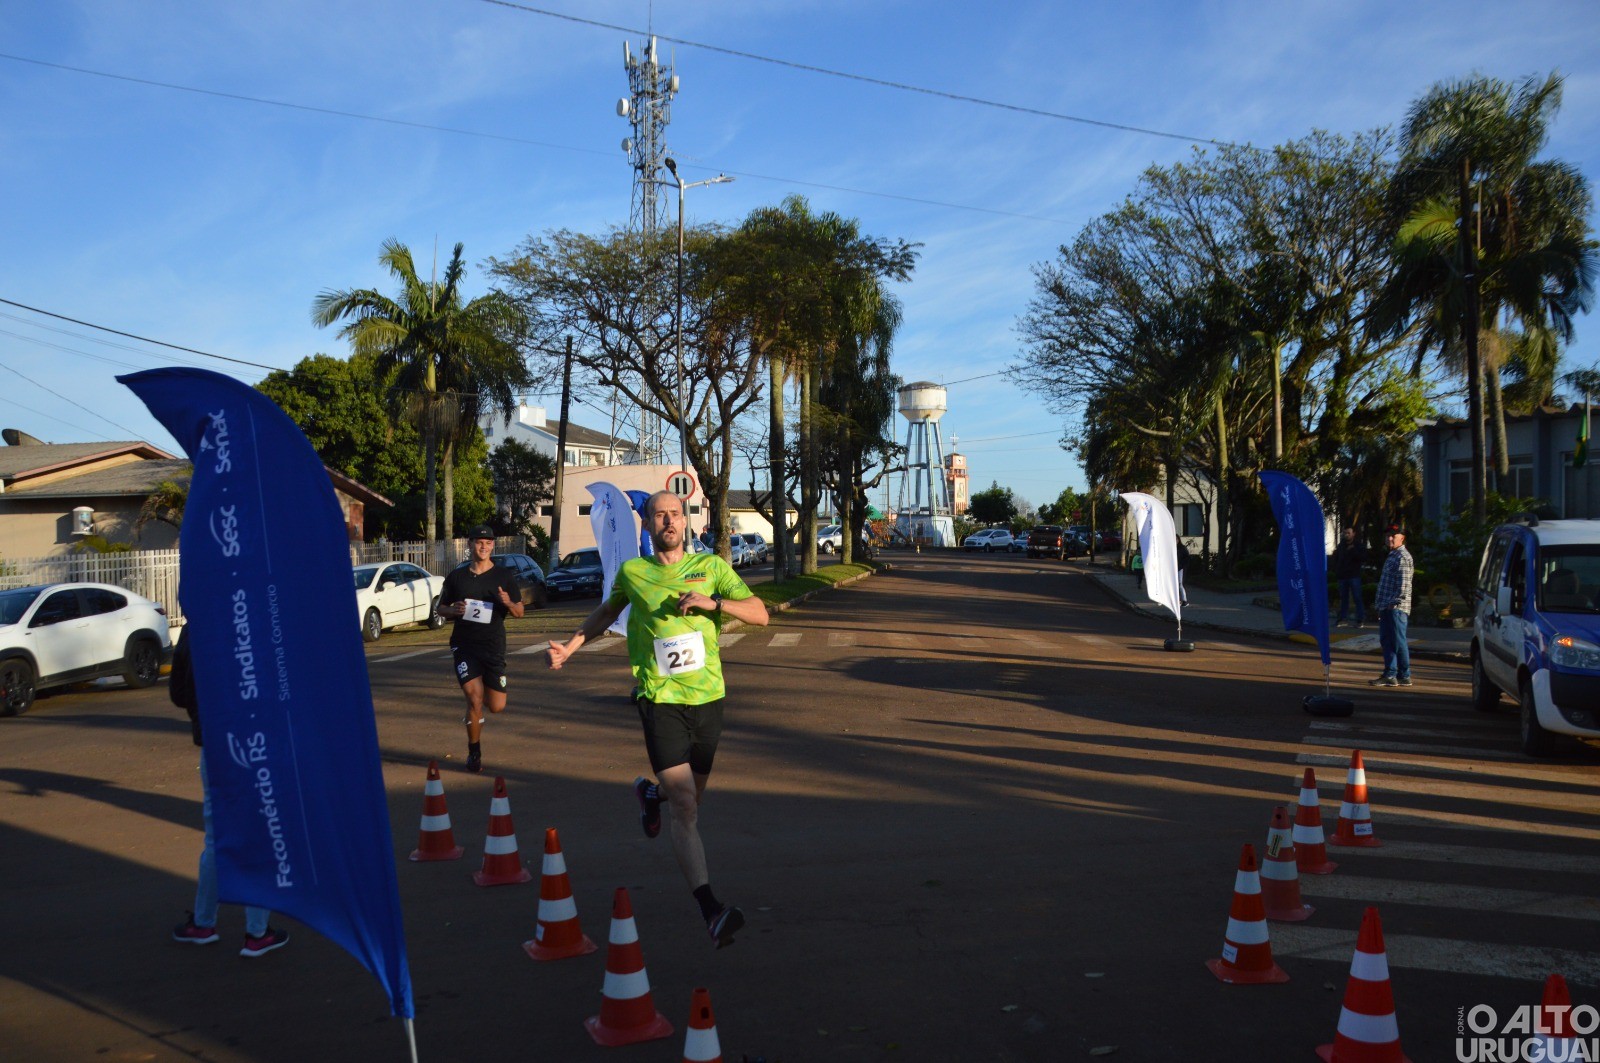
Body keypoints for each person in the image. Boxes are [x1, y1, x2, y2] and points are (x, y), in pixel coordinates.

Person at [547, 491, 770, 948]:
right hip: (660, 699)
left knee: (692, 799)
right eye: (659, 515)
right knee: (686, 806)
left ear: (687, 523)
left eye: (675, 514)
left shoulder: (713, 570)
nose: (668, 521)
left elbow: (761, 615)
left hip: (709, 699)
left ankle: (650, 794)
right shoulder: (634, 573)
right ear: (647, 526)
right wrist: (570, 646)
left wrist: (715, 605)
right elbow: (605, 613)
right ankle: (711, 911)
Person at [169, 626, 291, 957]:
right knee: (259, 835)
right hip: (250, 744)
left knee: (217, 839)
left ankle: (204, 923)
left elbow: (178, 693)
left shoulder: (193, 633)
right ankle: (256, 932)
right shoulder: (244, 628)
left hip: (213, 745)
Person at [437, 524, 525, 773]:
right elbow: (439, 609)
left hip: (493, 646)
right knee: (474, 699)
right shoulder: (458, 577)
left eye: (488, 543)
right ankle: (474, 752)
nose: (484, 546)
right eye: (479, 542)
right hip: (464, 645)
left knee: (496, 706)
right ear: (470, 544)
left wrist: (508, 602)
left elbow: (519, 612)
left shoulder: (503, 577)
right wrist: (453, 610)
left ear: (493, 546)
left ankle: (482, 700)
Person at [1370, 524, 1414, 688]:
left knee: (1397, 641)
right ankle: (1398, 674)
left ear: (1402, 538)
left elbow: (1403, 586)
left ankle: (1398, 674)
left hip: (1395, 608)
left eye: (1393, 536)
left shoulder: (1402, 557)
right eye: (1388, 535)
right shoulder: (1393, 555)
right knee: (1389, 641)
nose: (1390, 538)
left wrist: (1392, 605)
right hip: (1387, 606)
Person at [1331, 527, 1369, 628]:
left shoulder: (1358, 545)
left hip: (1354, 575)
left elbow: (1364, 557)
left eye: (1348, 533)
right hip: (1342, 576)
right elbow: (1336, 557)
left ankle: (1360, 619)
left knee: (1357, 598)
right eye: (1345, 533)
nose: (1346, 534)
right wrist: (1336, 569)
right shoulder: (1341, 545)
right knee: (1343, 598)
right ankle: (1343, 619)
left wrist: (1353, 551)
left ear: (1353, 534)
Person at [1175, 537, 1190, 606]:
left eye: (1176, 539)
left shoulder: (1182, 548)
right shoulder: (1171, 547)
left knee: (1180, 584)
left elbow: (1187, 558)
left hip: (1180, 568)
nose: (1175, 541)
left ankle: (1184, 600)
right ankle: (1177, 600)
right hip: (1172, 568)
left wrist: (1183, 565)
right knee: (1174, 585)